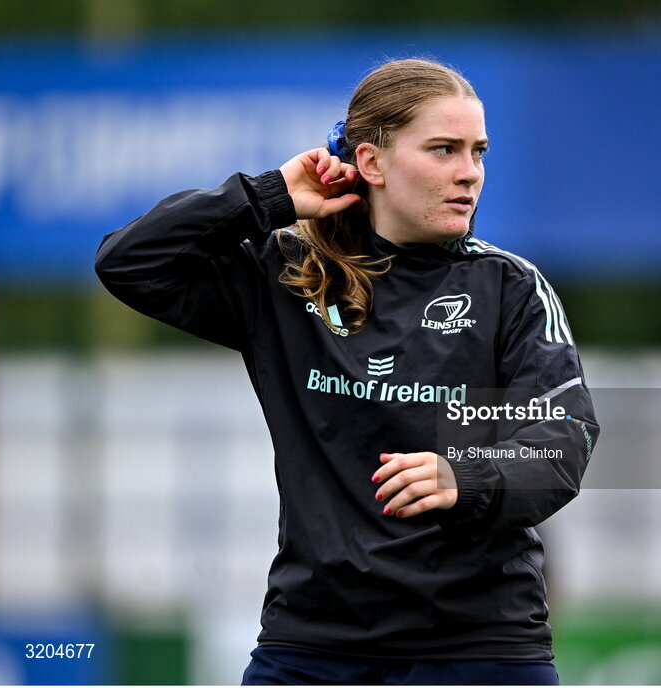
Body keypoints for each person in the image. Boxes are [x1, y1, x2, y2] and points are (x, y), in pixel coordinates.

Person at [95, 58, 599, 685]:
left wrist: (465, 476)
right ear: (371, 162)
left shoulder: (510, 289)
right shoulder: (289, 276)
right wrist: (268, 197)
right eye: (444, 149)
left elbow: (565, 440)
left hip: (478, 649)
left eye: (478, 152)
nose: (469, 172)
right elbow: (129, 263)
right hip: (311, 648)